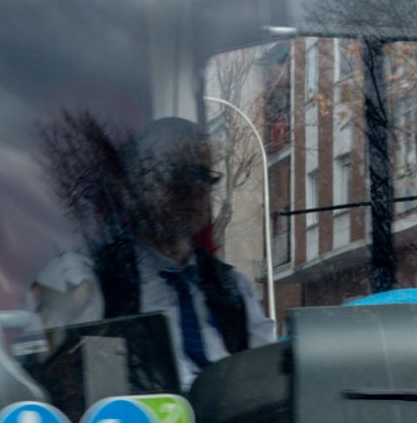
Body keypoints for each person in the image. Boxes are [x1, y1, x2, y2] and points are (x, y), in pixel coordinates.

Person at [29, 115, 264, 390]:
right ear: (133, 185)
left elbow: (267, 380)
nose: (192, 188)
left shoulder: (232, 289)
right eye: (174, 172)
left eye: (202, 175)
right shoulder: (81, 279)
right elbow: (55, 387)